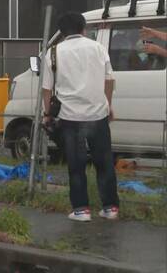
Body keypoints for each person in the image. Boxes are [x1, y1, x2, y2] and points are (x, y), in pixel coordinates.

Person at [42, 12, 119, 222]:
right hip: (98, 114)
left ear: (61, 32)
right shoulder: (98, 48)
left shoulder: (54, 52)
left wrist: (48, 114)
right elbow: (109, 79)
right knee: (104, 162)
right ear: (83, 28)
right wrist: (107, 104)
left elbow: (46, 89)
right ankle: (110, 207)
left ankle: (81, 210)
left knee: (76, 165)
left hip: (69, 116)